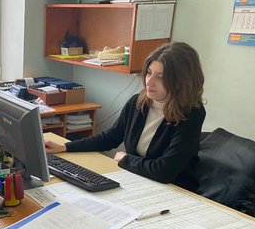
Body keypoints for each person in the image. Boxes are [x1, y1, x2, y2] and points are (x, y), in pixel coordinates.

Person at [45, 41, 206, 191]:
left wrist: (126, 159)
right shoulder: (138, 102)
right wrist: (65, 147)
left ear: (180, 82)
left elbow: (164, 171)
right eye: (149, 73)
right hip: (139, 179)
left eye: (160, 77)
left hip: (174, 190)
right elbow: (110, 138)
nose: (149, 82)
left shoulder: (191, 114)